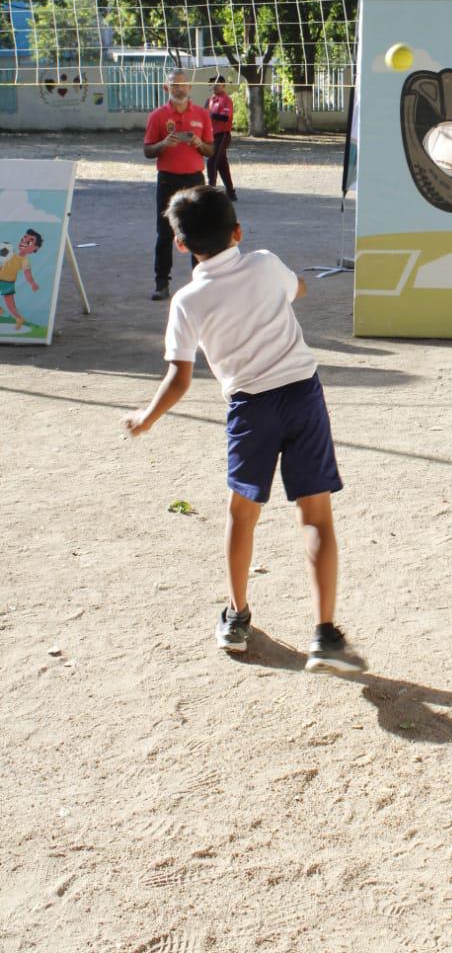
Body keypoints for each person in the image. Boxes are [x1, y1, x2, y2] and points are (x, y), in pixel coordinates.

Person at [121, 185, 365, 675]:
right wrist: (281, 288)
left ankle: (236, 616)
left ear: (182, 246)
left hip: (250, 409)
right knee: (316, 515)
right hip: (302, 393)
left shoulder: (187, 302)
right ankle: (325, 633)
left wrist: (146, 418)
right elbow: (299, 288)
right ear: (238, 232)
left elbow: (179, 378)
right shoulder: (264, 263)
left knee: (242, 513)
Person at [143, 69, 213, 301]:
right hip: (168, 179)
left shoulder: (202, 115)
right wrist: (163, 144)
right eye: (174, 85)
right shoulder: (158, 116)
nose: (179, 89)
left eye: (183, 85)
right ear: (167, 88)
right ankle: (161, 283)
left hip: (194, 180)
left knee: (197, 232)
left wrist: (198, 143)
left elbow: (211, 150)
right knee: (164, 233)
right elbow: (147, 151)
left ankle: (201, 282)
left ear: (190, 88)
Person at [0, 228, 42, 329]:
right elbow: (4, 266)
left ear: (34, 248)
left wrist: (32, 284)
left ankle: (19, 318)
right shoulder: (10, 252)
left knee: (10, 305)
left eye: (29, 242)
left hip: (8, 283)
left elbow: (28, 274)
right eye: (24, 239)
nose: (24, 242)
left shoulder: (24, 260)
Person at [206, 76, 237, 201]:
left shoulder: (226, 100)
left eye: (217, 84)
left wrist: (210, 114)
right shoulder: (211, 100)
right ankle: (230, 192)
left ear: (223, 85)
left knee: (212, 161)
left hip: (223, 134)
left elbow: (225, 117)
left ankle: (210, 191)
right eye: (212, 84)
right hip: (212, 135)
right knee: (222, 164)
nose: (214, 86)